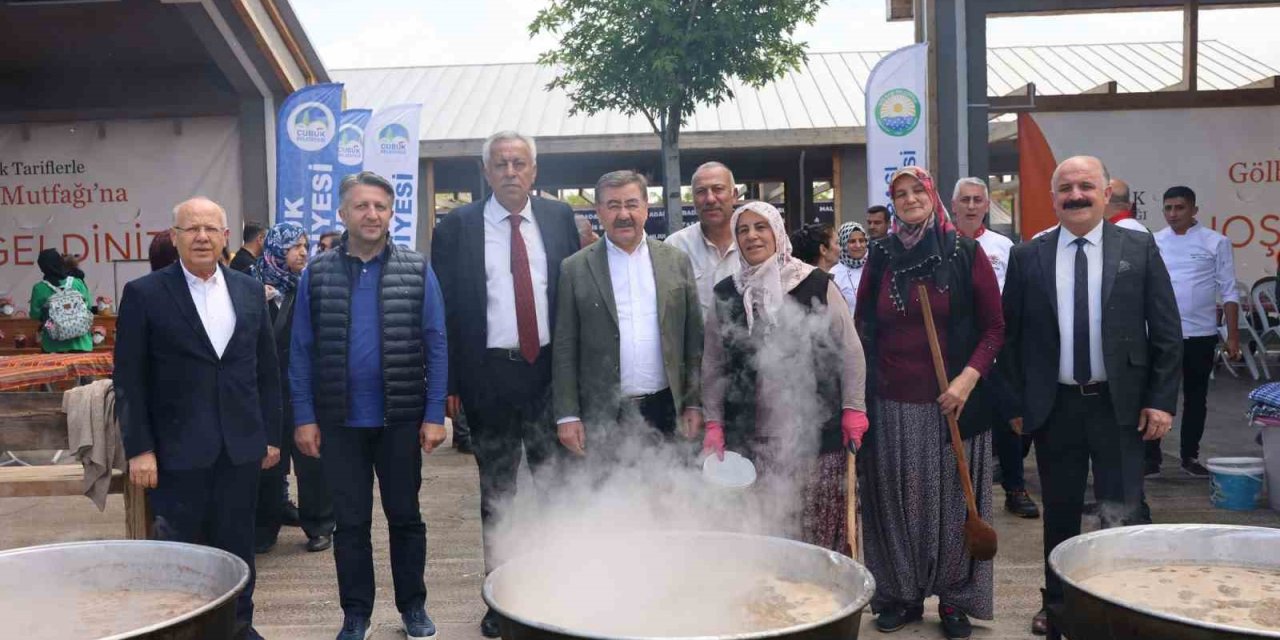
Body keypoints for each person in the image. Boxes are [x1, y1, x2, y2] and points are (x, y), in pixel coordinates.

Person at [1001, 156, 1181, 636]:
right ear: (1053, 197)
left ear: (1106, 194)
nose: (1075, 195)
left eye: (1086, 186)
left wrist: (1161, 400)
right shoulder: (1027, 256)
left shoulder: (1137, 250)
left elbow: (1166, 331)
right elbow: (1011, 338)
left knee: (1121, 509)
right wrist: (1017, 405)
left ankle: (1118, 602)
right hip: (1055, 407)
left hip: (1119, 407)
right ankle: (1057, 606)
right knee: (1059, 513)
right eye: (1066, 188)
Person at [430, 130, 579, 638]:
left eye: (520, 163)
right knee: (498, 492)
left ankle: (561, 589)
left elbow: (572, 300)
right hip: (487, 377)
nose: (511, 172)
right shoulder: (457, 226)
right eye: (501, 164)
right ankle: (501, 597)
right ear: (486, 172)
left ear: (534, 171)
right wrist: (448, 382)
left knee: (555, 488)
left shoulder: (561, 218)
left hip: (548, 376)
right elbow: (444, 309)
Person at [115, 197, 282, 640]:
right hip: (175, 452)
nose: (202, 236)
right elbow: (130, 380)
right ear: (175, 237)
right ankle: (183, 630)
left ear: (227, 236)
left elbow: (265, 370)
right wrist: (140, 449)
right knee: (181, 552)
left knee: (238, 547)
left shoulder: (249, 291)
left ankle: (238, 627)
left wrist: (269, 435)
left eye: (211, 228)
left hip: (240, 448)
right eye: (191, 229)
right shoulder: (144, 294)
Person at [290, 172, 447, 640]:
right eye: (361, 206)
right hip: (339, 423)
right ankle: (355, 614)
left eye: (380, 206)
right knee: (351, 524)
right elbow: (300, 349)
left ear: (390, 212)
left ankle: (412, 607)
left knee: (406, 518)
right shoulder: (317, 274)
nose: (371, 214)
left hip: (399, 419)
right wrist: (304, 416)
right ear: (343, 214)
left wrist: (434, 413)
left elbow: (436, 343)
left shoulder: (416, 269)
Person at [855, 167, 1003, 639]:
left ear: (932, 194)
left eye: (917, 190)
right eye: (900, 193)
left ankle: (956, 601)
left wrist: (967, 379)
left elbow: (995, 327)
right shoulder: (880, 254)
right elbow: (862, 325)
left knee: (954, 505)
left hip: (952, 405)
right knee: (895, 505)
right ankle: (902, 594)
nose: (909, 198)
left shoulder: (964, 251)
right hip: (891, 402)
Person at [701, 201, 867, 554]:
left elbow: (850, 349)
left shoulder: (816, 283)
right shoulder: (726, 293)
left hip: (816, 441)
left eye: (760, 227)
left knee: (817, 537)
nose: (752, 236)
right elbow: (713, 365)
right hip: (752, 442)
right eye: (743, 230)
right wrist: (714, 423)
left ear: (776, 232)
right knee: (764, 539)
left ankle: (822, 607)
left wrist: (854, 408)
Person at [553, 170, 703, 464]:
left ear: (647, 207)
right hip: (605, 414)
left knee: (666, 499)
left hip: (666, 408)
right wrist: (567, 415)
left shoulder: (676, 261)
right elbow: (564, 348)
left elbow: (693, 339)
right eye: (613, 205)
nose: (624, 214)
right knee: (612, 503)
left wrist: (694, 404)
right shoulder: (574, 268)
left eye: (632, 204)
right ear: (599, 211)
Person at [951, 177, 1040, 519]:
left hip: (999, 347)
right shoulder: (944, 245)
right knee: (960, 421)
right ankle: (959, 494)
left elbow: (1017, 299)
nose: (972, 206)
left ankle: (1015, 489)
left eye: (978, 200)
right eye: (965, 200)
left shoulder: (1005, 247)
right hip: (958, 351)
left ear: (987, 206)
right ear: (953, 205)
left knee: (1009, 422)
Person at [253, 222, 335, 555]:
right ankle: (264, 528)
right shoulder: (249, 288)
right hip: (264, 393)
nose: (303, 252)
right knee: (268, 462)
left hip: (304, 389)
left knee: (311, 459)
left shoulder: (309, 287)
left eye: (305, 245)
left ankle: (320, 525)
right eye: (294, 246)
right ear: (275, 250)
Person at [1151, 185, 1240, 478]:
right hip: (1161, 334)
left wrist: (1233, 336)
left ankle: (1190, 456)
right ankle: (1151, 459)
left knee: (1195, 397)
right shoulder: (1154, 242)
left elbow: (1228, 291)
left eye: (1180, 208)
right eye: (1168, 208)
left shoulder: (1216, 242)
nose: (1173, 214)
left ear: (1194, 210)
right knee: (1156, 396)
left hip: (1201, 334)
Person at [666, 161, 740, 317]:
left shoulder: (756, 244)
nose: (710, 199)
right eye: (701, 192)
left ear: (734, 195)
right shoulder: (675, 247)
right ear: (693, 199)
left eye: (718, 189)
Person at [31, 248, 94, 353]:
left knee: (47, 320)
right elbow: (88, 306)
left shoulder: (39, 288)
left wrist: (50, 321)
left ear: (42, 268)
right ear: (60, 262)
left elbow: (35, 315)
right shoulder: (77, 283)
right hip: (81, 344)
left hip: (52, 346)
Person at [830, 222, 868, 316]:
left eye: (861, 240)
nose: (858, 245)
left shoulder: (874, 266)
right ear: (842, 243)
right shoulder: (834, 273)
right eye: (852, 241)